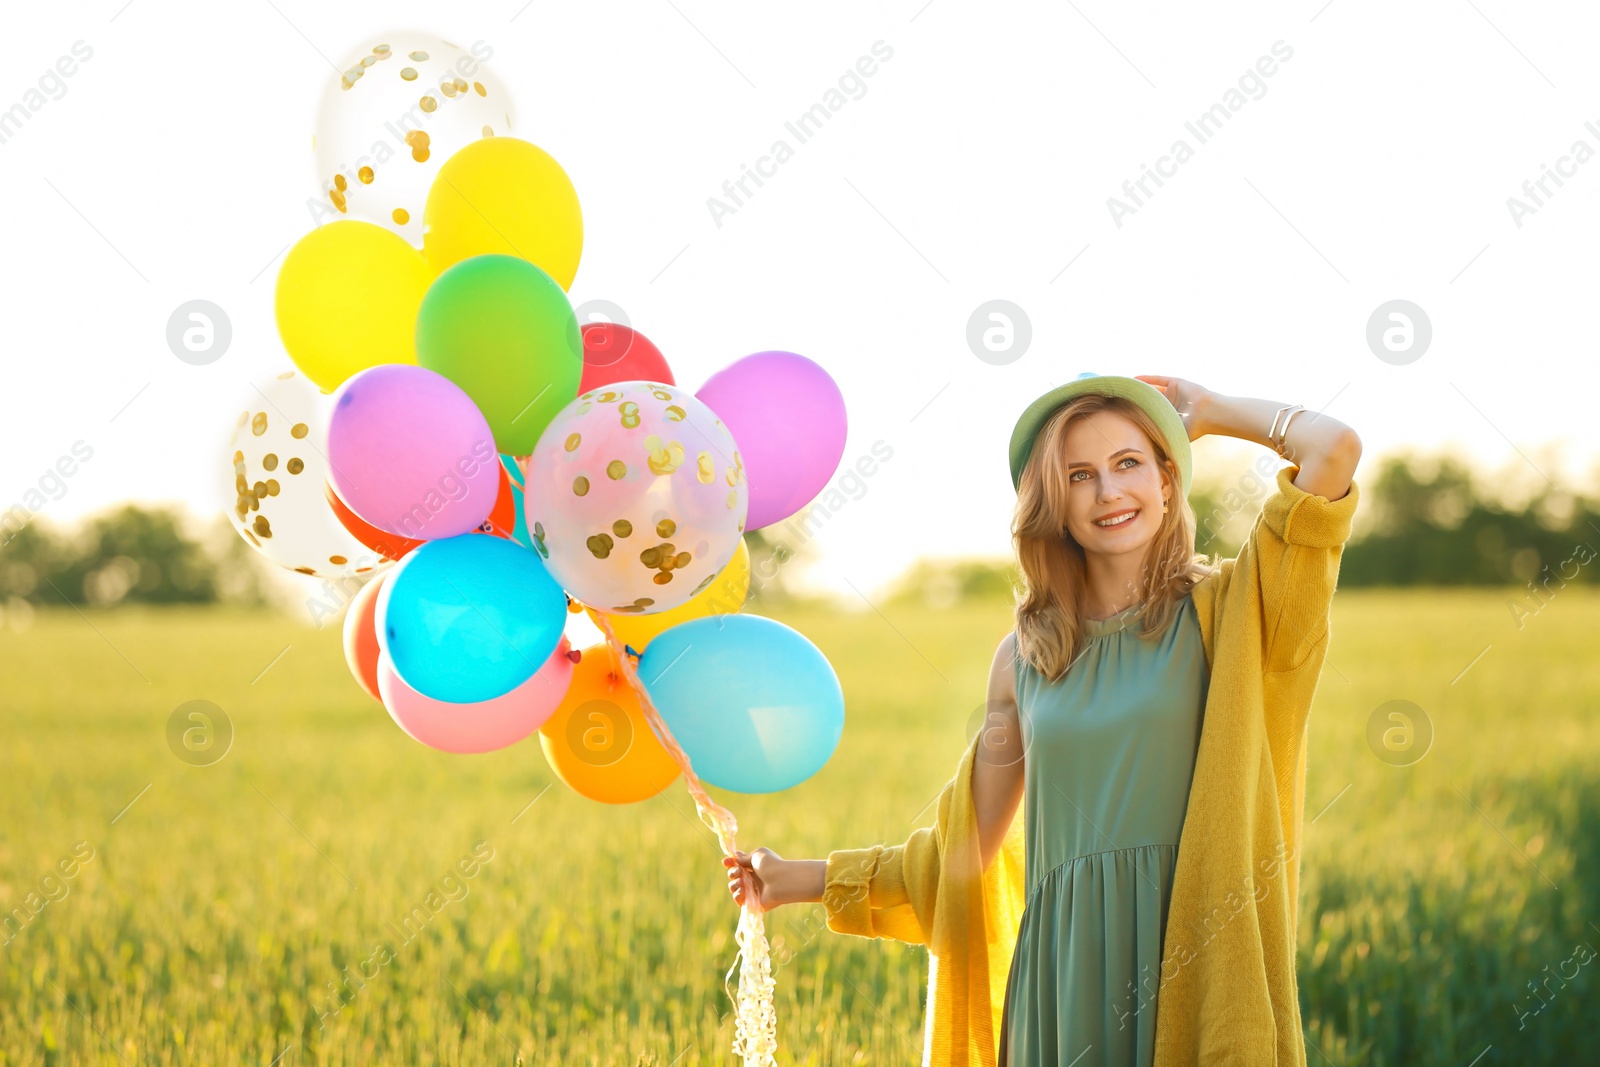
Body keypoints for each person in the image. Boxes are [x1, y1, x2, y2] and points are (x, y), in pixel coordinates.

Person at [724, 373, 1362, 1066]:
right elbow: (959, 851)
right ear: (1053, 506)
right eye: (1078, 475)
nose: (1109, 492)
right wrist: (802, 877)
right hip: (1062, 980)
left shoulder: (1240, 612)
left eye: (1128, 464)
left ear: (1169, 481)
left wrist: (1209, 411)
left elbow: (1334, 451)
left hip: (1202, 952)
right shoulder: (1026, 658)